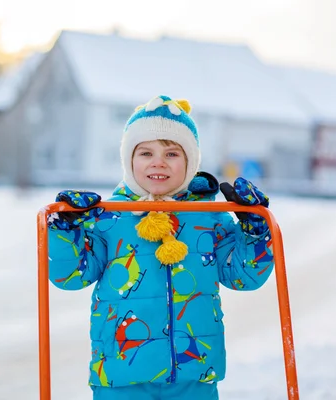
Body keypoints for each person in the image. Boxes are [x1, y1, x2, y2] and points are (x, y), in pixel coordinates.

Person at [46, 95, 274, 400]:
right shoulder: (109, 218)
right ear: (129, 160)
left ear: (190, 162)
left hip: (193, 373)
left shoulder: (208, 217)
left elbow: (243, 276)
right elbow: (71, 276)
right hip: (122, 373)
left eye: (171, 153)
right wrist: (66, 229)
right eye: (145, 153)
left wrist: (255, 230)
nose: (158, 162)